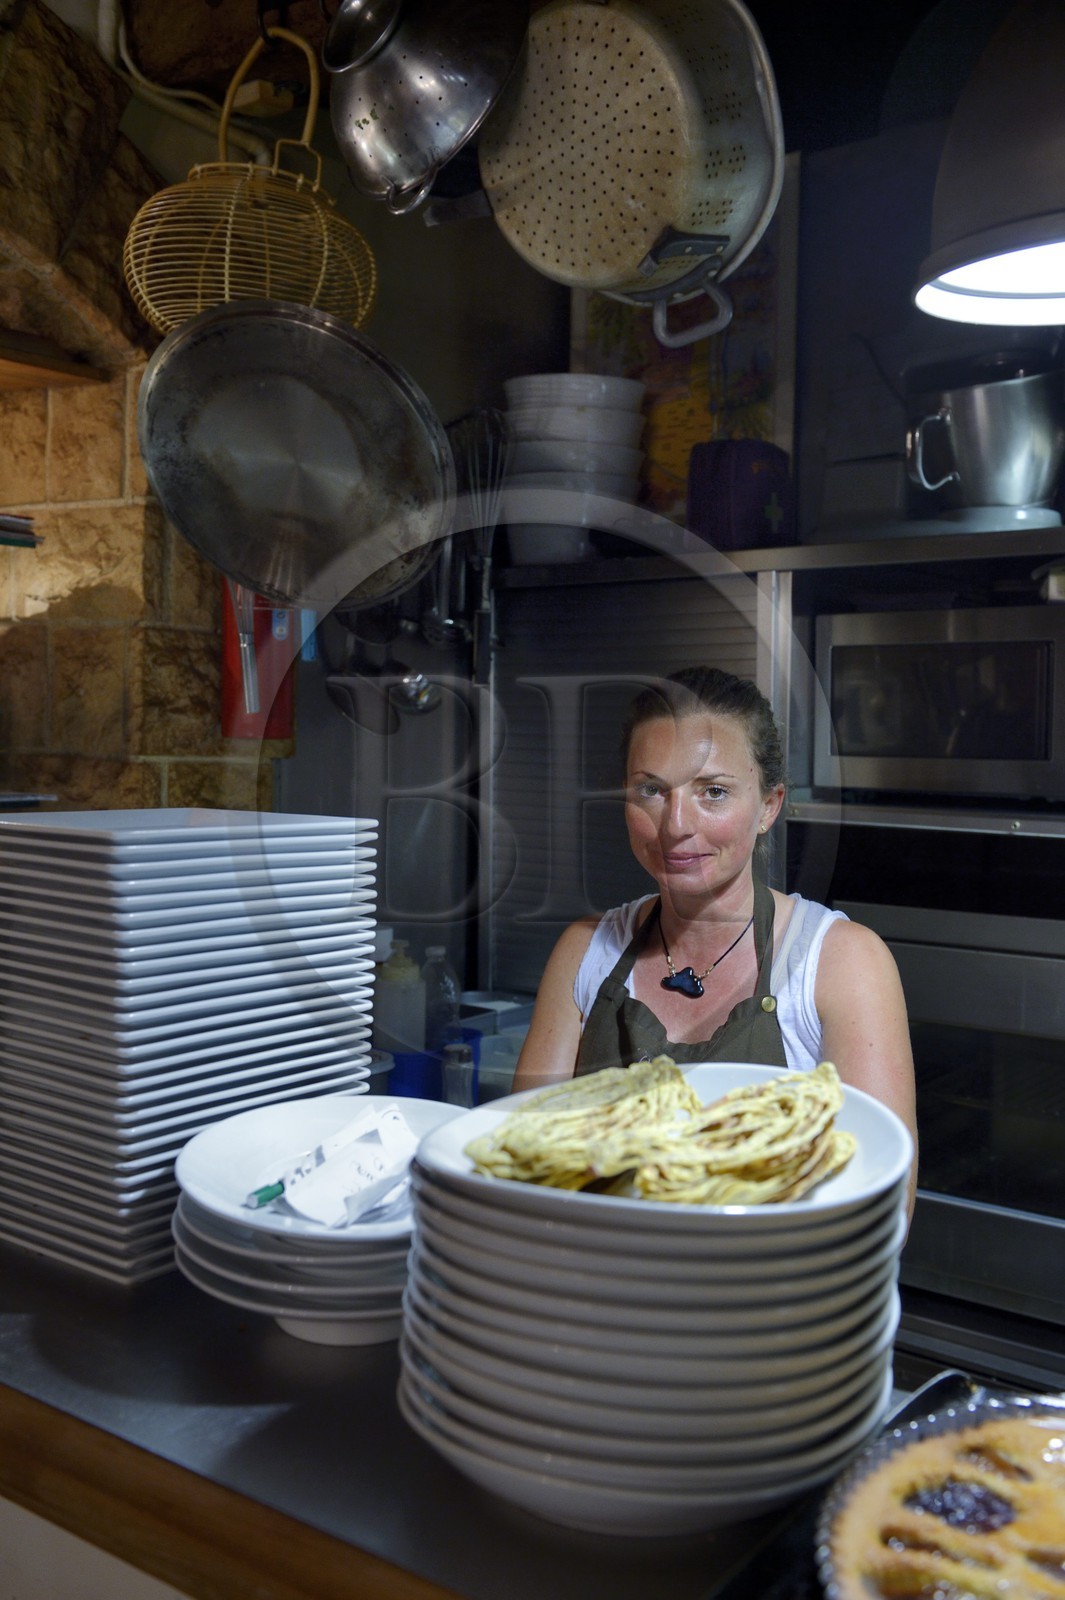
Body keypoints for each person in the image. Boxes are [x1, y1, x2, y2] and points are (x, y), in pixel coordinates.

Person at [513, 666, 917, 1215]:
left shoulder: (843, 962)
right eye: (651, 790)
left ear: (769, 806)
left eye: (714, 792)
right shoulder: (584, 952)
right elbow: (520, 1168)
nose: (676, 825)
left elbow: (882, 1203)